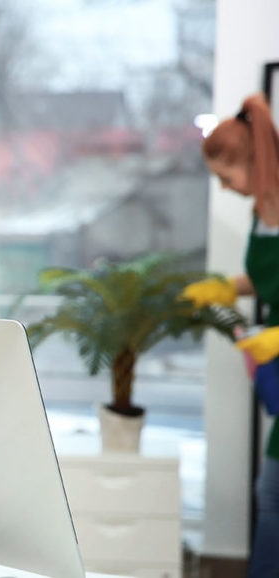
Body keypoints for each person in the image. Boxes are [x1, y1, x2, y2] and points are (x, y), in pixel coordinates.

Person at [181, 93, 279, 578]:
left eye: (225, 176)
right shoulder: (263, 215)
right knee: (273, 497)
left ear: (255, 161)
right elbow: (270, 280)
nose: (224, 188)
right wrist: (225, 287)